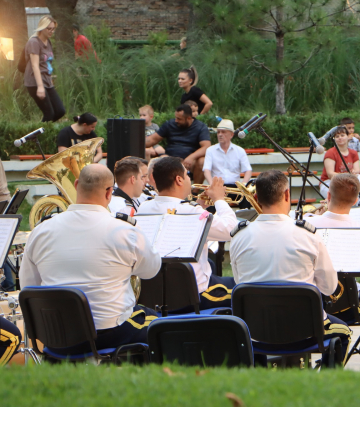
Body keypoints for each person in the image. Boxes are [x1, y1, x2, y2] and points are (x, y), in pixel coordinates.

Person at [20, 164, 162, 355]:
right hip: (108, 333)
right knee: (156, 321)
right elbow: (151, 270)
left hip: (56, 335)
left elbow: (29, 286)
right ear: (109, 192)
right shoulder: (125, 230)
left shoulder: (40, 230)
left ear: (76, 184)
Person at [229, 170, 351, 365]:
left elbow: (240, 282)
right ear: (287, 195)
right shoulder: (308, 235)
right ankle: (324, 383)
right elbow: (329, 288)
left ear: (256, 198)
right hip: (306, 331)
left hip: (255, 332)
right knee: (344, 333)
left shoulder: (239, 237)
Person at [137, 156, 237, 311]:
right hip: (195, 295)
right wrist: (219, 199)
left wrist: (198, 207)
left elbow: (173, 211)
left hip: (155, 296)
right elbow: (231, 229)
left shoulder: (143, 208)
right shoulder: (193, 212)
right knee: (243, 289)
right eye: (187, 175)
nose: (189, 179)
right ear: (179, 180)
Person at [305, 173, 360, 322]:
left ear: (328, 195)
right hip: (349, 306)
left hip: (315, 303)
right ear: (356, 200)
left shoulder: (307, 223)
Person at [145, 104, 211, 184]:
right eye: (176, 117)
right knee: (159, 160)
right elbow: (153, 139)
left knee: (202, 162)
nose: (176, 120)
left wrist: (191, 157)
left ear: (189, 118)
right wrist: (137, 142)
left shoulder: (200, 127)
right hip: (170, 158)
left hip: (191, 161)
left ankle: (195, 190)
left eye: (179, 119)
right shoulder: (170, 124)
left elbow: (206, 146)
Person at [23, 15, 66, 122]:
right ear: (42, 28)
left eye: (53, 29)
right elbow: (35, 65)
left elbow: (47, 63)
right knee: (49, 113)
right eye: (49, 29)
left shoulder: (48, 41)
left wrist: (49, 80)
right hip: (35, 82)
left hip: (47, 81)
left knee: (60, 111)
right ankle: (42, 131)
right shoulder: (34, 42)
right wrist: (40, 87)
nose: (51, 31)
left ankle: (47, 128)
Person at [203, 119, 252, 208]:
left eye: (223, 132)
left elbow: (248, 170)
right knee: (210, 202)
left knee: (246, 198)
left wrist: (244, 185)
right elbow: (206, 170)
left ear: (231, 135)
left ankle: (245, 216)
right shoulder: (210, 150)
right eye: (218, 132)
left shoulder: (240, 150)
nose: (220, 134)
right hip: (217, 186)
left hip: (235, 187)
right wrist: (212, 185)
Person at [319, 126, 360, 199]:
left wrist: (354, 172)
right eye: (337, 136)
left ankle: (357, 199)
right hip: (331, 182)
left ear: (348, 136)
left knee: (359, 177)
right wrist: (347, 175)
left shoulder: (353, 153)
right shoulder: (330, 153)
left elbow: (357, 170)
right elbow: (330, 174)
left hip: (348, 182)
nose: (340, 138)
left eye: (342, 135)